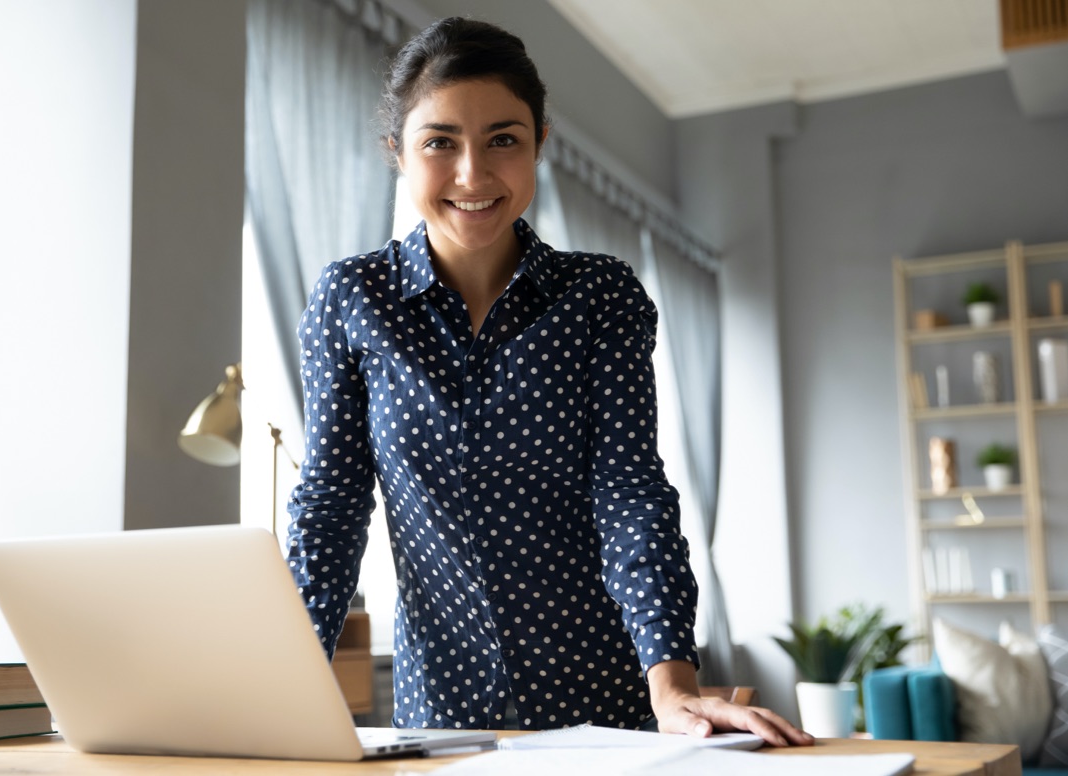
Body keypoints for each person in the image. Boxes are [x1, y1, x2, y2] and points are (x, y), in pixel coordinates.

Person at [287, 16, 811, 746]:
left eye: (503, 139)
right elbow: (331, 506)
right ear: (397, 156)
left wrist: (672, 685)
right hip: (439, 712)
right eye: (439, 142)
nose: (472, 173)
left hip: (599, 703)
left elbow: (629, 491)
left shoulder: (599, 296)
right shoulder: (352, 299)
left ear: (538, 146)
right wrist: (278, 693)